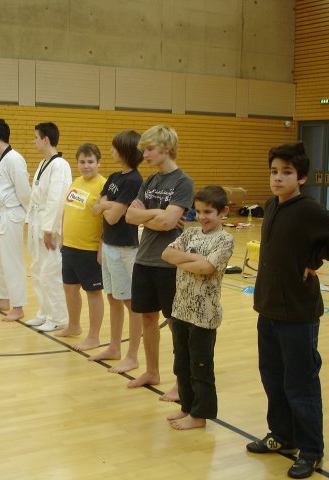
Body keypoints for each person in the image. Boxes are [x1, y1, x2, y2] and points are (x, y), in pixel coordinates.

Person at [246, 143, 329, 479]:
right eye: (274, 171)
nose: (278, 178)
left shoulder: (309, 209)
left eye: (286, 172)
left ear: (301, 178)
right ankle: (282, 435)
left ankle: (311, 451)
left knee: (301, 385)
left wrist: (315, 260)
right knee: (273, 379)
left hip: (298, 315)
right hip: (268, 309)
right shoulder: (271, 205)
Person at [124, 125, 194, 390]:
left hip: (169, 263)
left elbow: (168, 223)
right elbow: (130, 216)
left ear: (166, 148)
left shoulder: (183, 182)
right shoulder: (149, 181)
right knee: (147, 318)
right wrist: (158, 214)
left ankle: (182, 381)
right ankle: (152, 371)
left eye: (149, 149)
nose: (145, 155)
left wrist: (150, 216)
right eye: (144, 150)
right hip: (144, 260)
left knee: (176, 322)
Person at [161, 185, 234, 430]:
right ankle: (187, 407)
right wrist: (196, 259)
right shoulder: (190, 233)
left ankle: (200, 415)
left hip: (205, 315)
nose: (202, 216)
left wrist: (185, 260)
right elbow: (166, 254)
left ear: (223, 212)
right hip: (181, 309)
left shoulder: (225, 239)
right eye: (199, 211)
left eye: (208, 212)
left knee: (200, 367)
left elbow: (207, 269)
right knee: (181, 363)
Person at [89, 130, 143, 370]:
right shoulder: (113, 176)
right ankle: (114, 347)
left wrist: (106, 205)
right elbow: (95, 209)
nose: (110, 151)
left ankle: (132, 355)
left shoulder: (134, 181)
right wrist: (108, 205)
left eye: (114, 148)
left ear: (125, 151)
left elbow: (111, 217)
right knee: (112, 298)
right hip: (109, 245)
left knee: (130, 302)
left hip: (125, 250)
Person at [54, 144, 105, 347]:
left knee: (93, 293)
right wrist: (63, 237)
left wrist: (101, 247)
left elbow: (108, 221)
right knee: (69, 288)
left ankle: (94, 336)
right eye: (82, 162)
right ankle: (74, 326)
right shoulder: (76, 182)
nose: (86, 166)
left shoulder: (104, 186)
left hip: (89, 249)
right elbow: (68, 211)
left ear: (98, 163)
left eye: (90, 161)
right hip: (69, 247)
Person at [24, 122, 72, 332]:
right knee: (37, 269)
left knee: (50, 272)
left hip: (49, 226)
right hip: (37, 220)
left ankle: (58, 317)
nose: (33, 141)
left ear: (45, 139)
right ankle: (44, 312)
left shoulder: (60, 165)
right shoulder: (44, 163)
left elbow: (57, 198)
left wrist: (49, 229)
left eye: (36, 137)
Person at [0, 119, 31, 322]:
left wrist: (28, 216)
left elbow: (24, 192)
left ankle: (18, 306)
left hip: (10, 216)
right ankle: (3, 299)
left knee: (12, 263)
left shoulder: (15, 159)